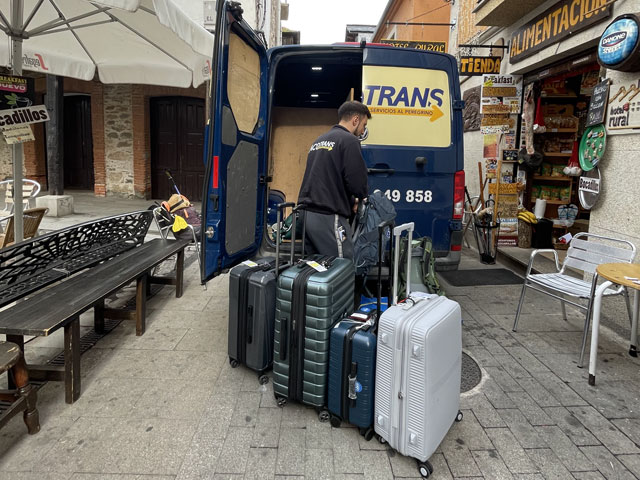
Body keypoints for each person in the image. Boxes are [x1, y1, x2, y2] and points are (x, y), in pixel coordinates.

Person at [297, 100, 371, 260]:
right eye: (364, 125)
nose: (362, 131)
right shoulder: (349, 141)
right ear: (355, 120)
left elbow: (328, 178)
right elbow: (357, 182)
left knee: (316, 265)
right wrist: (361, 197)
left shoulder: (319, 140)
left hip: (306, 214)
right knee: (341, 265)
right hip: (328, 216)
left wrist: (350, 201)